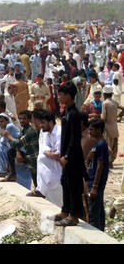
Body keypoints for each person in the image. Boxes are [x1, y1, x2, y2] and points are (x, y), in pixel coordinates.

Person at [53, 81, 88, 227]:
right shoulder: (66, 112)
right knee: (65, 183)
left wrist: (67, 156)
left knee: (73, 186)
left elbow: (74, 138)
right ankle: (65, 210)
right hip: (66, 155)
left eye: (61, 94)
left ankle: (73, 216)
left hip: (73, 157)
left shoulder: (74, 114)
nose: (59, 97)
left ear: (68, 95)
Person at [32, 110, 63, 207]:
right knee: (41, 157)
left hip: (62, 163)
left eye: (43, 123)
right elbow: (45, 149)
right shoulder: (46, 133)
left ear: (50, 122)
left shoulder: (59, 132)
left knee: (42, 158)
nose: (41, 125)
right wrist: (50, 153)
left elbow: (58, 154)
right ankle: (41, 189)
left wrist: (49, 153)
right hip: (53, 162)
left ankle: (42, 189)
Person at [2, 110, 39, 189]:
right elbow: (17, 144)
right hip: (27, 155)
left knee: (35, 176)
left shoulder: (30, 131)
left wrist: (9, 136)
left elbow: (18, 143)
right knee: (10, 151)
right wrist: (18, 152)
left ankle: (38, 190)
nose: (21, 121)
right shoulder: (23, 130)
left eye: (24, 119)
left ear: (29, 120)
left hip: (33, 158)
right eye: (20, 119)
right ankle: (13, 173)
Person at [86, 119, 110, 231]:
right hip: (92, 181)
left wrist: (95, 187)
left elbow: (100, 166)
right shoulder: (97, 145)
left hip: (95, 183)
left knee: (93, 213)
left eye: (91, 130)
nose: (89, 132)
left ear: (99, 130)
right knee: (99, 209)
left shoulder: (101, 145)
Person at [0, 113, 21, 178]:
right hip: (15, 147)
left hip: (19, 149)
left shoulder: (9, 126)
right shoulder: (6, 127)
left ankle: (2, 171)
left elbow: (3, 141)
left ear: (7, 121)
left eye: (2, 121)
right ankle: (2, 170)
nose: (0, 123)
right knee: (0, 145)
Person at [101, 85, 119, 169]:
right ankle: (111, 162)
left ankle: (107, 163)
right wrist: (118, 115)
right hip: (115, 126)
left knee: (108, 146)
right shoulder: (114, 103)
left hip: (107, 128)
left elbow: (103, 118)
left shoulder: (105, 103)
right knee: (114, 146)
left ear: (104, 94)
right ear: (111, 94)